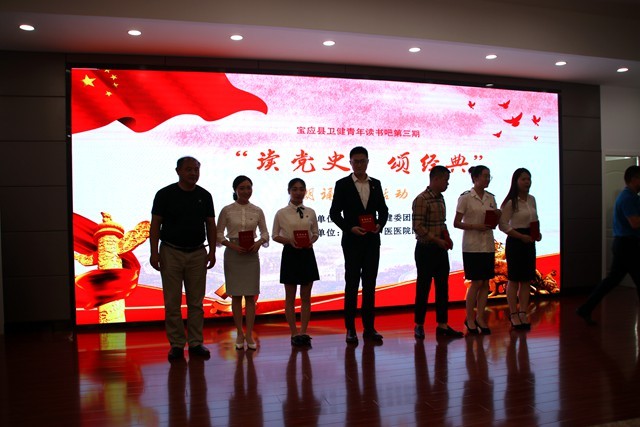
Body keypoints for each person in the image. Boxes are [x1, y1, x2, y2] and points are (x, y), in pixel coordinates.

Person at [150, 156, 217, 361]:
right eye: (189, 169)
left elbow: (210, 225)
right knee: (172, 302)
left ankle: (196, 342)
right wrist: (154, 252)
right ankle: (177, 344)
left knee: (196, 303)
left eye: (196, 169)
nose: (193, 173)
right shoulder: (164, 194)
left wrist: (212, 252)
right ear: (178, 171)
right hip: (171, 252)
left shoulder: (204, 195)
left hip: (197, 253)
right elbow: (155, 224)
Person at [329, 146, 389, 344]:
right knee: (352, 284)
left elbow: (383, 210)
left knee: (370, 285)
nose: (360, 164)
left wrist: (380, 224)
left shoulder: (375, 184)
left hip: (372, 240)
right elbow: (334, 213)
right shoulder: (342, 184)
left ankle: (369, 328)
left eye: (363, 161)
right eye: (356, 161)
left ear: (368, 162)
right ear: (351, 163)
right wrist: (350, 228)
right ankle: (350, 329)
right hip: (352, 241)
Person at [576, 165, 640, 324]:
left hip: (625, 245)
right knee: (615, 280)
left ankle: (585, 309)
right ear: (634, 179)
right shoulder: (628, 198)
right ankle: (585, 309)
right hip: (628, 246)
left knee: (611, 281)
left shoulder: (631, 197)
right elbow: (635, 223)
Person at [217, 175, 269, 350]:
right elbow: (218, 234)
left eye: (249, 187)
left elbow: (265, 234)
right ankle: (239, 332)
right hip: (233, 253)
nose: (246, 191)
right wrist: (231, 245)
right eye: (242, 188)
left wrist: (259, 243)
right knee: (236, 295)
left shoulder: (257, 210)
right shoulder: (227, 210)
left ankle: (249, 334)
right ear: (235, 190)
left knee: (251, 296)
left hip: (251, 254)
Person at [412, 165, 464, 339]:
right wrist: (436, 240)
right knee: (423, 287)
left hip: (440, 249)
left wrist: (447, 238)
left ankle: (442, 325)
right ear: (435, 179)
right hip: (425, 249)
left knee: (442, 288)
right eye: (445, 180)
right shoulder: (422, 199)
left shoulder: (441, 198)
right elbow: (417, 227)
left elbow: (441, 223)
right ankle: (419, 324)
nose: (447, 184)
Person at [272, 178, 320, 347]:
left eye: (301, 189)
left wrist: (312, 240)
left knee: (306, 297)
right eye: (294, 189)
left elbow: (315, 233)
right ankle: (293, 333)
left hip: (307, 253)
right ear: (289, 191)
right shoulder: (281, 213)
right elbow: (274, 235)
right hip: (290, 253)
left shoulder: (311, 212)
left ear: (305, 191)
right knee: (290, 298)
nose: (298, 192)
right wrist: (289, 241)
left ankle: (304, 332)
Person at [454, 165, 498, 335]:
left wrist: (498, 216)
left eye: (489, 176)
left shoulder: (490, 197)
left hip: (487, 244)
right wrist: (475, 226)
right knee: (476, 282)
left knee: (486, 282)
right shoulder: (465, 197)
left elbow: (493, 220)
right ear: (475, 178)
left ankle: (480, 317)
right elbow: (456, 223)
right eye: (485, 176)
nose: (487, 179)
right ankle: (470, 318)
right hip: (472, 246)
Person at [499, 168, 541, 330]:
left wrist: (537, 234)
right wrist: (520, 236)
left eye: (529, 179)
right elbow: (502, 225)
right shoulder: (511, 202)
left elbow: (535, 219)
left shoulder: (532, 199)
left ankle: (523, 312)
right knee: (514, 279)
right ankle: (513, 313)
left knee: (526, 279)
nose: (527, 182)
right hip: (516, 241)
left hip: (529, 241)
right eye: (523, 179)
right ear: (516, 181)